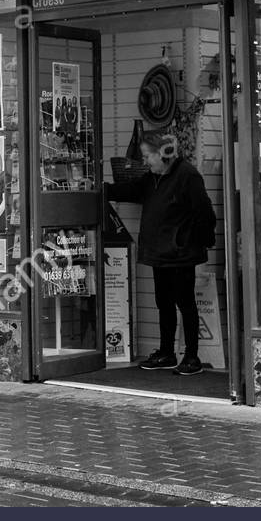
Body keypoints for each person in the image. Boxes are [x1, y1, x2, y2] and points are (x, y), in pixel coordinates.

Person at [105, 130, 216, 375]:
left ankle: (191, 357)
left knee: (185, 303)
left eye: (147, 156)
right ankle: (166, 352)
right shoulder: (152, 178)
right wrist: (103, 190)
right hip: (160, 253)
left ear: (161, 154)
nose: (145, 161)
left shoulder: (187, 175)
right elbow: (131, 191)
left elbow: (205, 214)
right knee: (163, 303)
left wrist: (198, 246)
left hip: (181, 253)